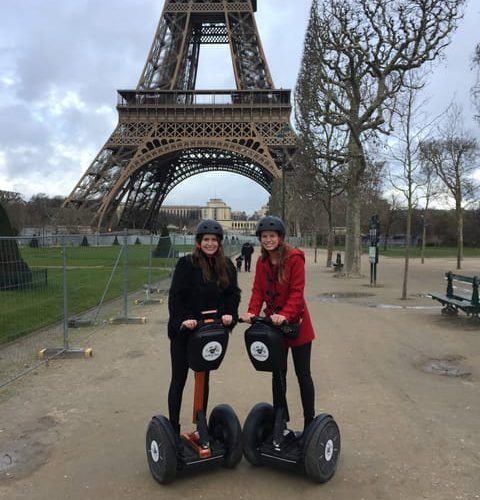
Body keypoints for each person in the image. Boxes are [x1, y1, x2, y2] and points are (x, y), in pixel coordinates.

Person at [167, 219, 241, 445]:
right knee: (179, 378)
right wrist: (184, 319)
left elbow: (232, 295)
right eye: (206, 240)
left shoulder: (227, 265)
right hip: (185, 332)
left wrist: (230, 315)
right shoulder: (186, 264)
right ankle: (173, 428)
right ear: (198, 242)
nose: (210, 243)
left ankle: (201, 426)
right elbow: (176, 296)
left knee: (204, 377)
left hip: (210, 331)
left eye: (214, 240)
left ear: (219, 243)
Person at [240, 215, 316, 435]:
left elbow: (296, 293)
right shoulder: (262, 262)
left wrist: (284, 314)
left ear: (280, 237)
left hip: (296, 326)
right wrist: (252, 312)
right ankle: (280, 420)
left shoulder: (294, 258)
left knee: (303, 375)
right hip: (274, 328)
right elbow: (257, 291)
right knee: (278, 374)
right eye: (264, 236)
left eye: (272, 236)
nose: (268, 240)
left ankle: (310, 421)